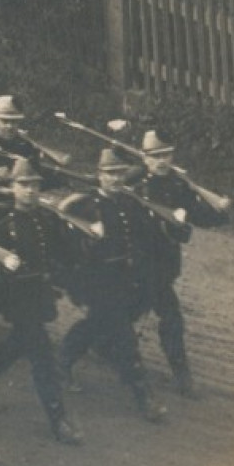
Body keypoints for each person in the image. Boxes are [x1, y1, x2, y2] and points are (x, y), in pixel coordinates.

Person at [0, 158, 86, 444]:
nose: (30, 191)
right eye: (23, 185)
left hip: (40, 295)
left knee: (17, 344)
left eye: (34, 185)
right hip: (15, 298)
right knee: (42, 357)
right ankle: (58, 420)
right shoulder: (3, 224)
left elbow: (61, 255)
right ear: (11, 188)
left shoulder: (45, 220)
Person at [56, 148, 168, 424]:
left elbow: (141, 242)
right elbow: (71, 251)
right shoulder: (86, 206)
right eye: (110, 174)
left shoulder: (130, 204)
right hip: (97, 282)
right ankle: (144, 397)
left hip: (125, 281)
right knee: (125, 338)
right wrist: (78, 287)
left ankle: (63, 360)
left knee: (94, 326)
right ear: (99, 176)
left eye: (120, 174)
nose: (116, 179)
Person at [138, 130, 229, 398]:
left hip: (162, 265)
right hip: (135, 263)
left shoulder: (178, 187)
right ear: (145, 158)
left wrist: (220, 213)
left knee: (170, 320)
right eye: (155, 156)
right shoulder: (136, 184)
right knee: (116, 315)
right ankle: (71, 356)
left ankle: (182, 376)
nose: (161, 161)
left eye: (165, 155)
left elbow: (200, 215)